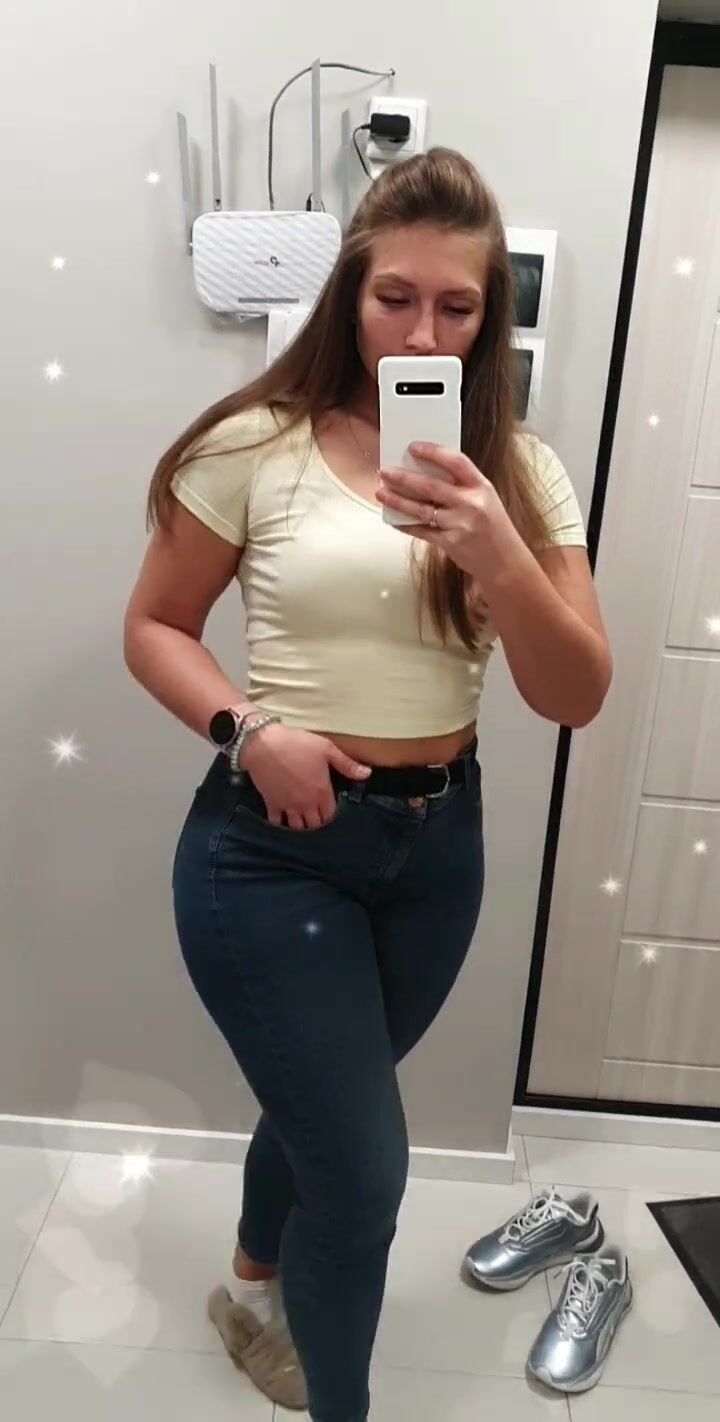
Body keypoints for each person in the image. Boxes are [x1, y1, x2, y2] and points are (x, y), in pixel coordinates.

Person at [123, 147, 612, 1422]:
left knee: (324, 1112)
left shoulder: (524, 475)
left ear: (490, 317)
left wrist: (499, 550)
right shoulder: (254, 443)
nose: (425, 333)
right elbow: (156, 627)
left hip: (436, 854)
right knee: (361, 1173)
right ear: (351, 292)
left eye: (458, 306)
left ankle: (253, 1285)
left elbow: (575, 693)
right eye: (397, 297)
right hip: (270, 847)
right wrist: (248, 731)